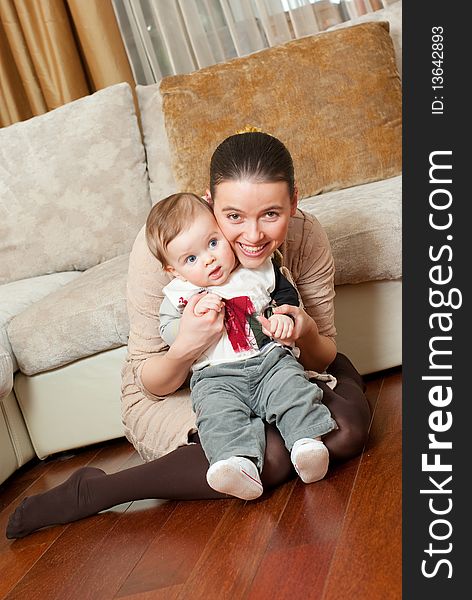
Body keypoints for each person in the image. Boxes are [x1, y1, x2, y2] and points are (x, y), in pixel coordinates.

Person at [6, 132, 371, 539]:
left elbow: (321, 358)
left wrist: (304, 333)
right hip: (187, 384)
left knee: (346, 431)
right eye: (233, 217)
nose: (252, 236)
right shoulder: (168, 251)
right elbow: (152, 383)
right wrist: (187, 344)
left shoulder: (306, 238)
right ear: (210, 203)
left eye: (271, 214)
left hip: (277, 366)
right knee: (269, 456)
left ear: (294, 202)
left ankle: (306, 420)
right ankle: (97, 490)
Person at [147, 192, 337, 500]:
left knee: (292, 388)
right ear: (174, 270)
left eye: (212, 243)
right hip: (216, 376)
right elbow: (168, 332)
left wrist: (283, 319)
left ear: (222, 229)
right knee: (216, 414)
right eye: (191, 259)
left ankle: (307, 443)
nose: (208, 259)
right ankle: (235, 464)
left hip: (268, 358)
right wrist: (188, 326)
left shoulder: (256, 268)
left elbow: (286, 299)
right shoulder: (180, 295)